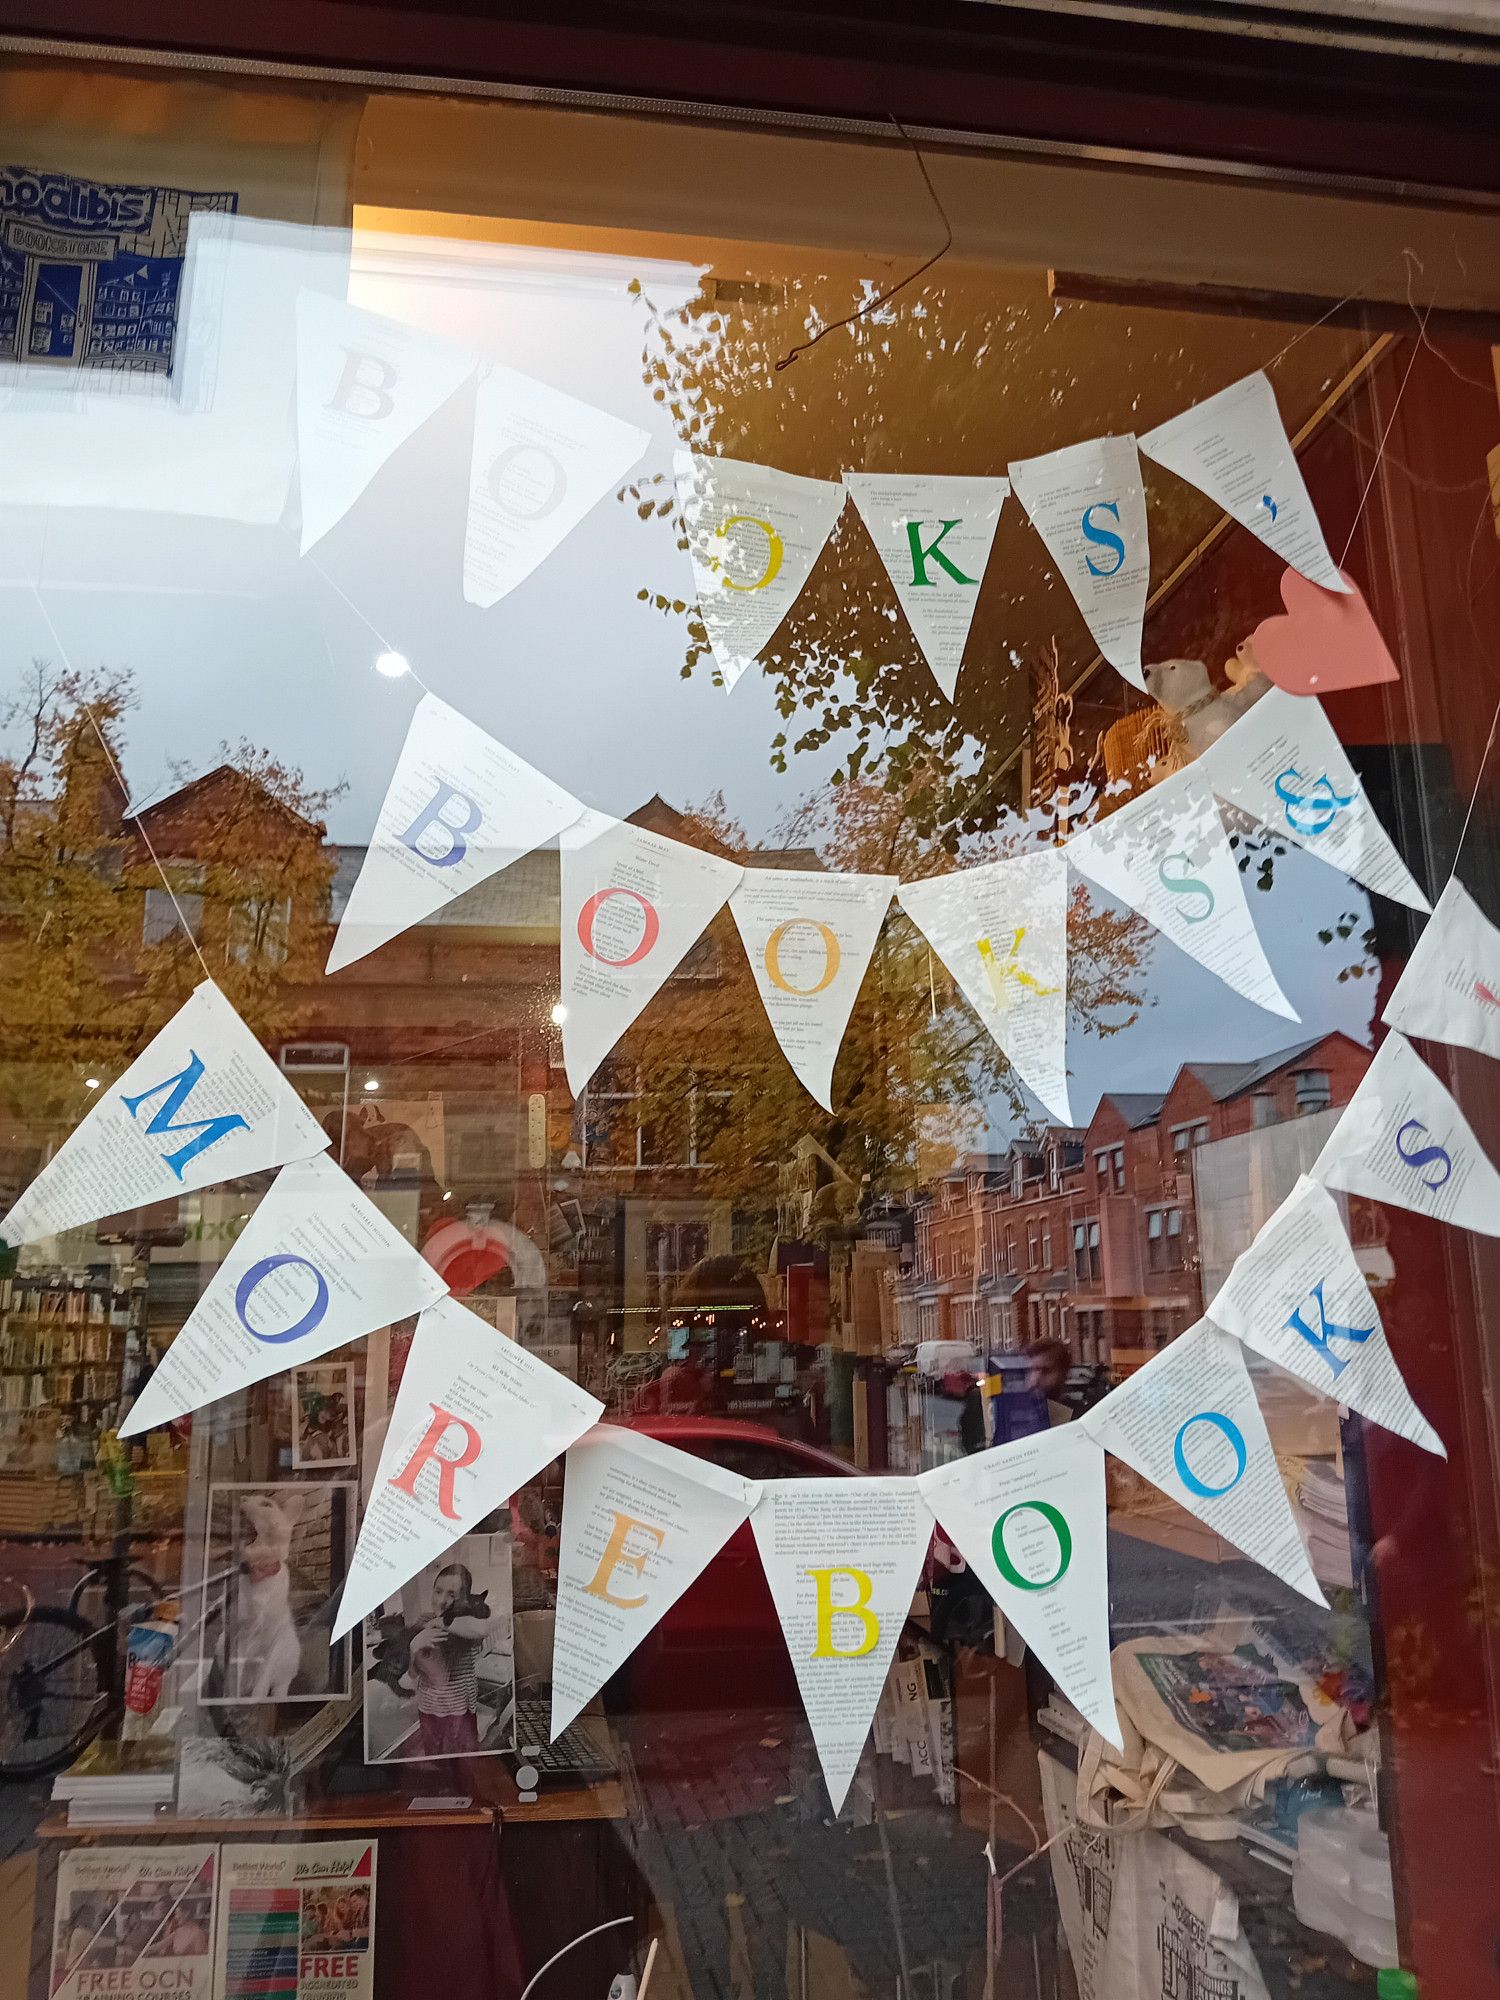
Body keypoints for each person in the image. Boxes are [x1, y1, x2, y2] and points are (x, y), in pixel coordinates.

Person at [403, 1561, 498, 1758]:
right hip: (429, 1710)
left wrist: (440, 1623)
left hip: (461, 1711)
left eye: (452, 1595)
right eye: (438, 1591)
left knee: (465, 1765)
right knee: (435, 1760)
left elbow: (482, 1629)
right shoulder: (422, 1622)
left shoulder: (467, 1622)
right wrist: (414, 1648)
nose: (442, 1601)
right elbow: (411, 1676)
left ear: (464, 1600)